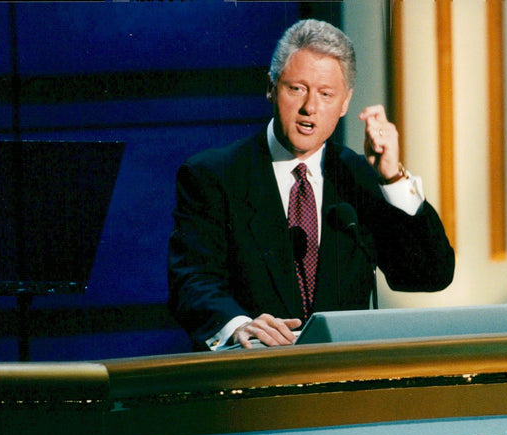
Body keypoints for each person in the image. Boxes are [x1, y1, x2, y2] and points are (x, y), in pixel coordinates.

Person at [168, 19, 454, 350]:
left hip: (342, 387)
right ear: (271, 87)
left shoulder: (360, 179)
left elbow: (430, 274)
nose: (310, 108)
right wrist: (239, 327)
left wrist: (393, 178)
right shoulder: (213, 175)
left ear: (345, 102)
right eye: (297, 88)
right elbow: (191, 281)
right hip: (253, 377)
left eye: (325, 94)